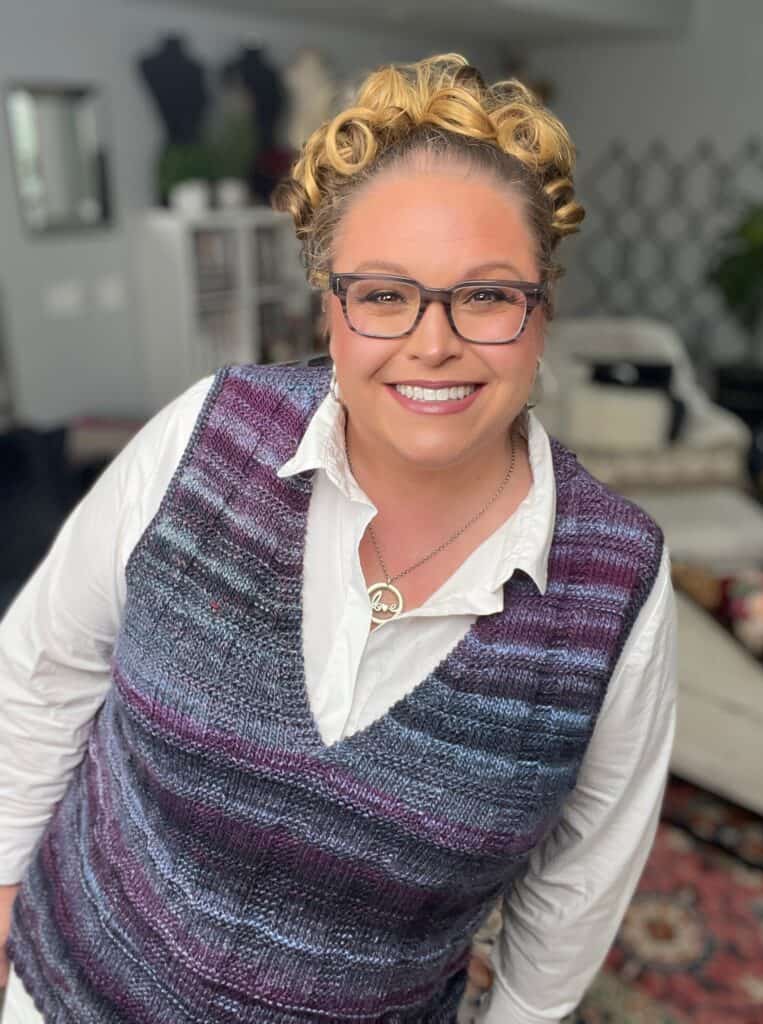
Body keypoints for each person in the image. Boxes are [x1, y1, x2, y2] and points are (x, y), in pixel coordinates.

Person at [0, 53, 677, 1023]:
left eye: (485, 295)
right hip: (67, 986)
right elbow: (43, 663)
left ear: (542, 312)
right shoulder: (210, 431)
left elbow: (582, 877)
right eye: (384, 293)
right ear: (331, 307)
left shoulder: (616, 583)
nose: (432, 341)